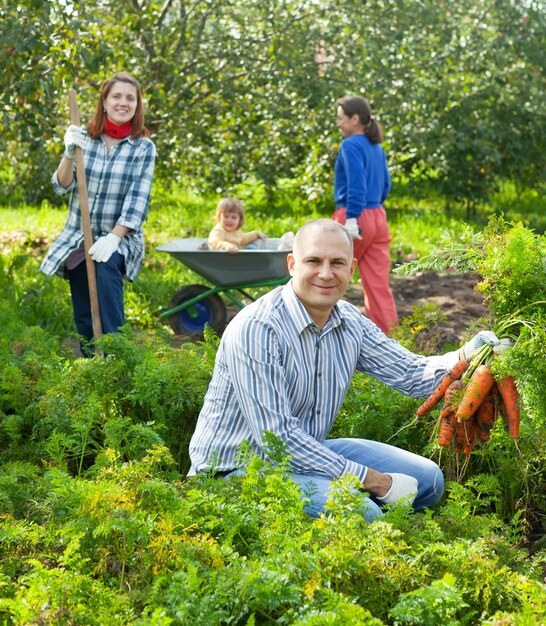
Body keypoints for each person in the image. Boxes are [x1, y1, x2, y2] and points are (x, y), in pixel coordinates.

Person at [188, 218, 498, 521]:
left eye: (337, 263)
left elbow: (411, 374)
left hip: (307, 452)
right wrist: (375, 481)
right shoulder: (258, 328)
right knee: (361, 511)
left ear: (351, 269)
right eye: (314, 261)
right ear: (292, 265)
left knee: (429, 481)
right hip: (235, 469)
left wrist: (470, 352)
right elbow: (278, 440)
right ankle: (358, 522)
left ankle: (354, 517)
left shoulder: (350, 322)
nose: (325, 273)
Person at [40, 72, 156, 356]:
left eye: (130, 98)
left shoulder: (143, 148)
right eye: (116, 96)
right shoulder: (84, 141)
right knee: (83, 309)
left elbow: (138, 201)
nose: (123, 103)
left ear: (137, 105)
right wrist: (68, 154)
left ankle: (119, 358)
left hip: (120, 238)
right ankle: (93, 363)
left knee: (105, 274)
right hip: (79, 235)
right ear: (104, 102)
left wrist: (114, 238)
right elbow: (61, 186)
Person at [332, 95, 398, 334]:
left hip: (354, 217)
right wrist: (373, 209)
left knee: (327, 274)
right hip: (378, 217)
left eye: (340, 118)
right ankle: (392, 340)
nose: (338, 124)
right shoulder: (376, 147)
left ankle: (315, 331)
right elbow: (386, 185)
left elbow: (356, 185)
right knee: (378, 286)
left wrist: (351, 218)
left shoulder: (349, 145)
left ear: (355, 119)